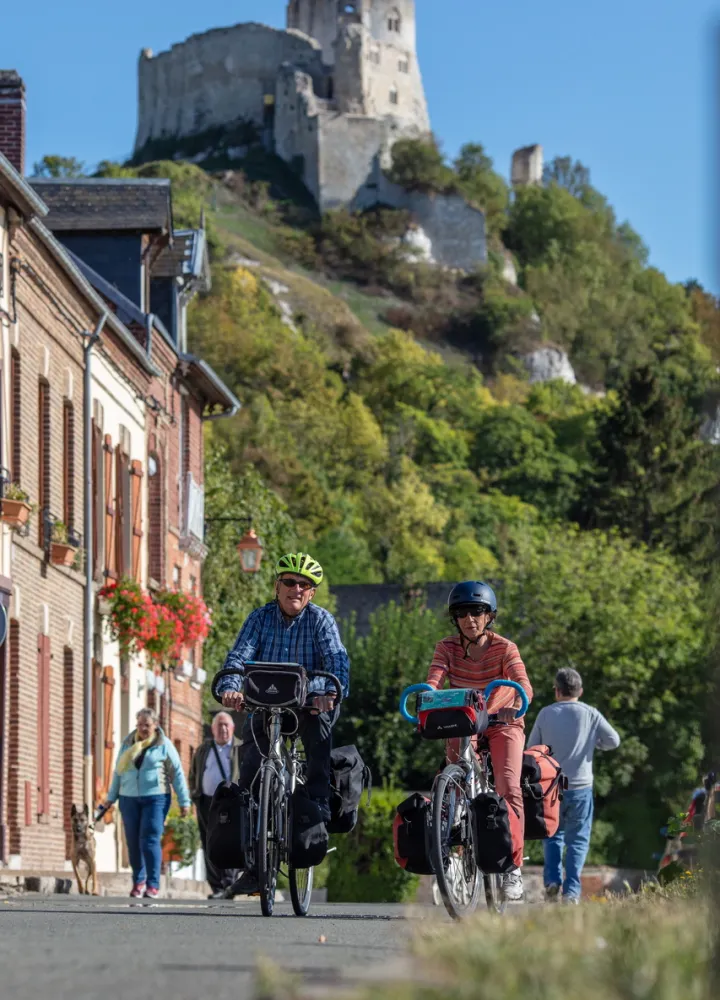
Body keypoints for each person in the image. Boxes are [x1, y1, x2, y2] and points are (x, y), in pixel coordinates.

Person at [216, 551, 350, 896]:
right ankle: (254, 862)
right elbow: (238, 656)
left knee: (319, 728)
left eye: (305, 585)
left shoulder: (321, 621)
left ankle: (318, 800)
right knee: (249, 771)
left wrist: (327, 694)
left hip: (308, 705)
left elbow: (337, 661)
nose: (297, 589)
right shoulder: (259, 619)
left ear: (312, 593)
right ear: (277, 586)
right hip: (266, 704)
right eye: (289, 582)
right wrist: (231, 688)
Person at [426, 581, 533, 902]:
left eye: (477, 612)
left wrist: (500, 705)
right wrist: (428, 695)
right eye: (461, 613)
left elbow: (523, 685)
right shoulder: (446, 647)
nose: (470, 618)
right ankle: (453, 853)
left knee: (508, 785)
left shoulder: (505, 647)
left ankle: (513, 868)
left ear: (490, 616)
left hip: (503, 721)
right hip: (465, 721)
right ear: (454, 618)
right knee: (451, 784)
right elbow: (435, 677)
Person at [527, 667, 620, 904]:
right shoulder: (591, 714)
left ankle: (551, 882)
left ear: (557, 691)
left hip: (551, 788)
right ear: (581, 691)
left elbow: (532, 749)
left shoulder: (546, 714)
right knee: (578, 839)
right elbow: (614, 741)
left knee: (552, 836)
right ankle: (571, 892)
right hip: (581, 788)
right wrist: (594, 743)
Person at [103, 707, 191, 899]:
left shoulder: (164, 745)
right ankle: (138, 881)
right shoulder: (127, 744)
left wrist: (184, 801)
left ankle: (152, 885)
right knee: (133, 842)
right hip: (128, 797)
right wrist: (111, 797)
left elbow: (176, 773)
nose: (143, 728)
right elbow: (118, 772)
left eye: (147, 725)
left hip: (156, 797)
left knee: (150, 838)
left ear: (155, 725)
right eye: (140, 724)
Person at [188, 711, 243, 899]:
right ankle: (217, 886)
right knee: (208, 842)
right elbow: (193, 773)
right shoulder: (204, 749)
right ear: (212, 729)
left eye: (226, 725)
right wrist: (195, 795)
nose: (223, 729)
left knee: (230, 841)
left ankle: (230, 883)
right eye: (219, 725)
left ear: (233, 728)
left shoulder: (239, 748)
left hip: (231, 802)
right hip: (206, 802)